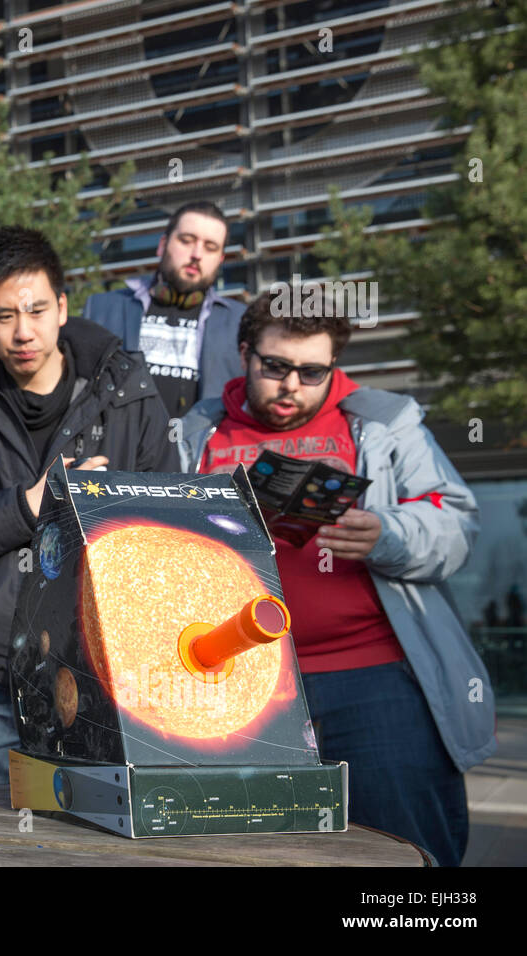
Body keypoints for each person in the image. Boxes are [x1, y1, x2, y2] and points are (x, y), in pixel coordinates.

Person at [176, 290, 496, 866]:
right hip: (242, 686)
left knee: (407, 852)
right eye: (274, 367)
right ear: (245, 353)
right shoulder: (193, 432)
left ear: (334, 367)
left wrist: (388, 535)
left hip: (374, 681)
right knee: (253, 855)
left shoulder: (385, 421)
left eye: (312, 371)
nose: (291, 385)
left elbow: (457, 524)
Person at [0, 226, 175, 783]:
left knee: (96, 847)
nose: (23, 332)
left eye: (36, 310)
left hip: (102, 670)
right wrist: (31, 505)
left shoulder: (129, 393)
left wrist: (101, 508)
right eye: (4, 316)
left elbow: (167, 535)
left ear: (63, 307)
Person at [82, 200, 244, 418]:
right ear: (162, 245)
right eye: (186, 241)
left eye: (210, 247)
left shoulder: (239, 322)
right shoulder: (102, 309)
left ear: (220, 260)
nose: (197, 254)